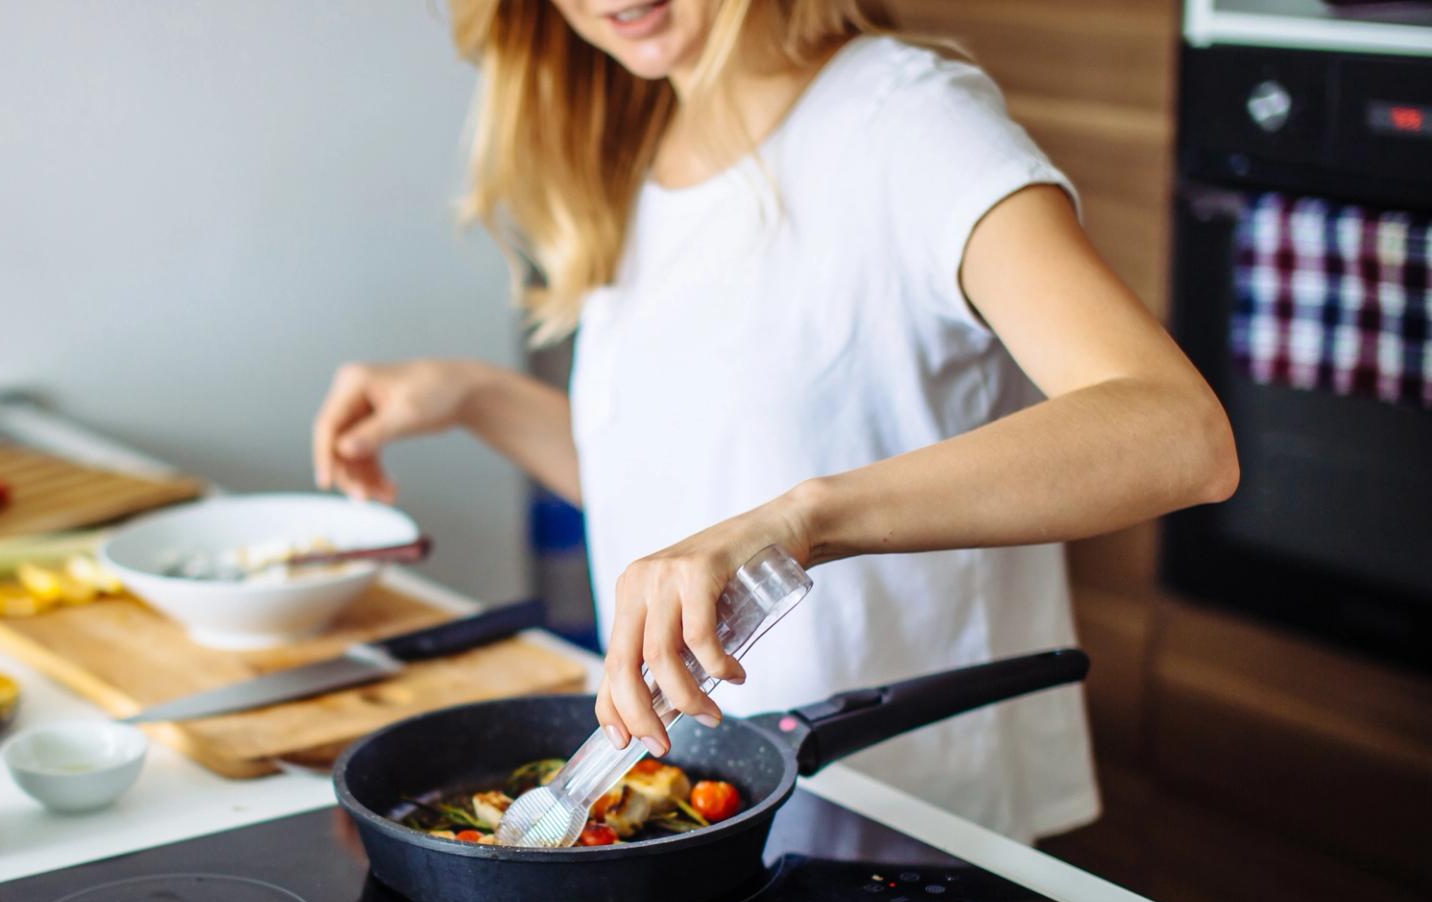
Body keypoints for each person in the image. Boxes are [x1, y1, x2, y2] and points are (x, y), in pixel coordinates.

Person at [310, 0, 1237, 844]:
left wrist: (798, 525)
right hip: (696, 814)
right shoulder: (650, 141)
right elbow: (686, 493)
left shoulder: (909, 122)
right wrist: (476, 395)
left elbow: (1177, 435)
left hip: (893, 817)